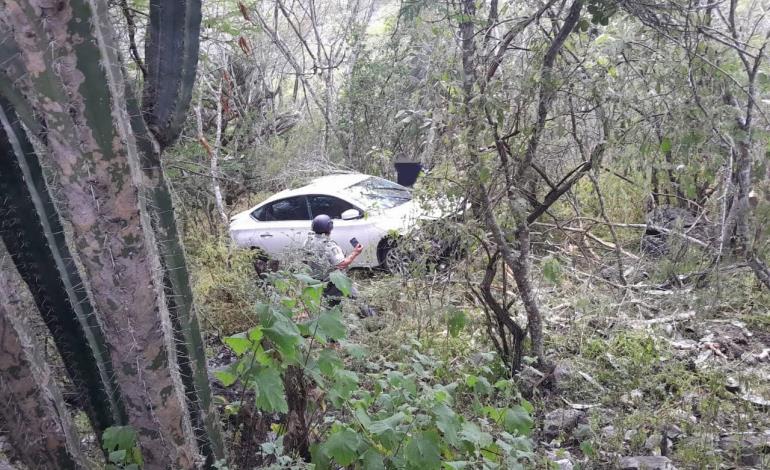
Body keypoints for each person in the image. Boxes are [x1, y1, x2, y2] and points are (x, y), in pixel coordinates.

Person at [303, 214, 375, 317]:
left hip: (317, 282)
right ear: (329, 228)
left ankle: (332, 325)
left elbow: (305, 261)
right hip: (335, 281)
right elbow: (342, 264)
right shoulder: (329, 245)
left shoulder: (307, 242)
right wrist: (355, 252)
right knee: (358, 298)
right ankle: (372, 318)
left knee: (331, 306)